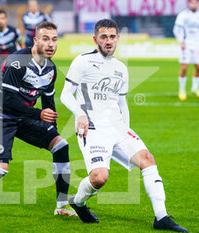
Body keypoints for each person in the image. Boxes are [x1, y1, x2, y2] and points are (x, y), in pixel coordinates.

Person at [60, 19, 188, 232]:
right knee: (99, 178)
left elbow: (122, 103)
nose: (108, 41)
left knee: (147, 159)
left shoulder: (121, 68)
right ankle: (78, 202)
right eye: (104, 37)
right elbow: (65, 95)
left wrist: (126, 130)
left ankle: (161, 217)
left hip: (117, 127)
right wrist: (80, 114)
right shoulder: (82, 61)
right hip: (91, 128)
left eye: (112, 37)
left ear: (118, 38)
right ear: (95, 39)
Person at [0, 22, 77, 218]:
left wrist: (52, 131)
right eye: (45, 39)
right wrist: (38, 114)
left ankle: (62, 205)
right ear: (35, 40)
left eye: (54, 39)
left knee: (61, 146)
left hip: (24, 116)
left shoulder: (51, 69)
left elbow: (48, 104)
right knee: (0, 169)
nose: (51, 44)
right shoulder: (17, 61)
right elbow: (8, 100)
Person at [173, 0, 199, 101]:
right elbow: (177, 29)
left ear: (198, 4)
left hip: (197, 45)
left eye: (196, 3)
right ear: (189, 4)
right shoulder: (183, 15)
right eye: (192, 3)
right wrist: (181, 41)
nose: (194, 5)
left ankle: (195, 88)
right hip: (186, 44)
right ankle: (182, 90)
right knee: (184, 67)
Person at [0, 10, 25, 82]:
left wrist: (23, 57)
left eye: (2, 18)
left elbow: (21, 43)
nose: (0, 21)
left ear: (6, 19)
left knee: (13, 81)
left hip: (12, 59)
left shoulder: (14, 31)